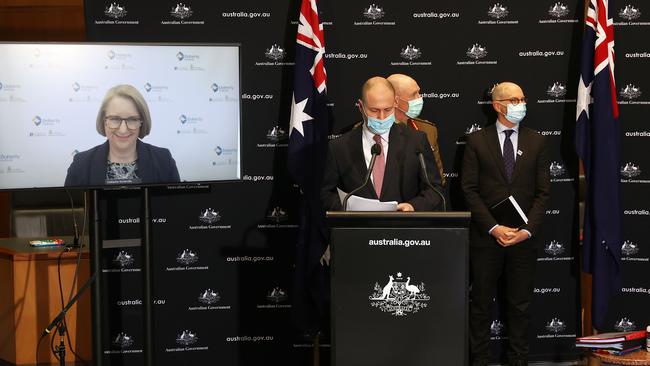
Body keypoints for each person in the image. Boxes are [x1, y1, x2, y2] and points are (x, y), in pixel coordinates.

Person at [461, 82, 550, 366]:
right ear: (498, 105)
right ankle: (479, 361)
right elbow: (469, 190)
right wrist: (493, 227)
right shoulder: (476, 141)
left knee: (520, 306)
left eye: (523, 98)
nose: (521, 103)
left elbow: (543, 192)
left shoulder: (537, 141)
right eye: (514, 99)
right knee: (481, 306)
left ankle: (518, 361)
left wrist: (526, 230)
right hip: (487, 239)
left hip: (524, 240)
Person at [321, 76, 443, 212]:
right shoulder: (339, 147)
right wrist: (349, 210)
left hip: (404, 228)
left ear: (396, 102)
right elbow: (326, 194)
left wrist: (413, 206)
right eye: (374, 110)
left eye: (387, 109)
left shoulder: (416, 141)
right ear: (361, 107)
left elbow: (434, 189)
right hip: (358, 229)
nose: (382, 117)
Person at [64, 84, 180, 186]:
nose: (123, 129)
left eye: (132, 119)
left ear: (141, 122)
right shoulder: (81, 165)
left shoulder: (164, 161)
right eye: (115, 119)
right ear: (104, 121)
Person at [387, 73, 445, 186]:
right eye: (414, 94)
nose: (420, 98)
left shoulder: (428, 130)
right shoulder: (371, 130)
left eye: (419, 92)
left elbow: (438, 180)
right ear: (395, 101)